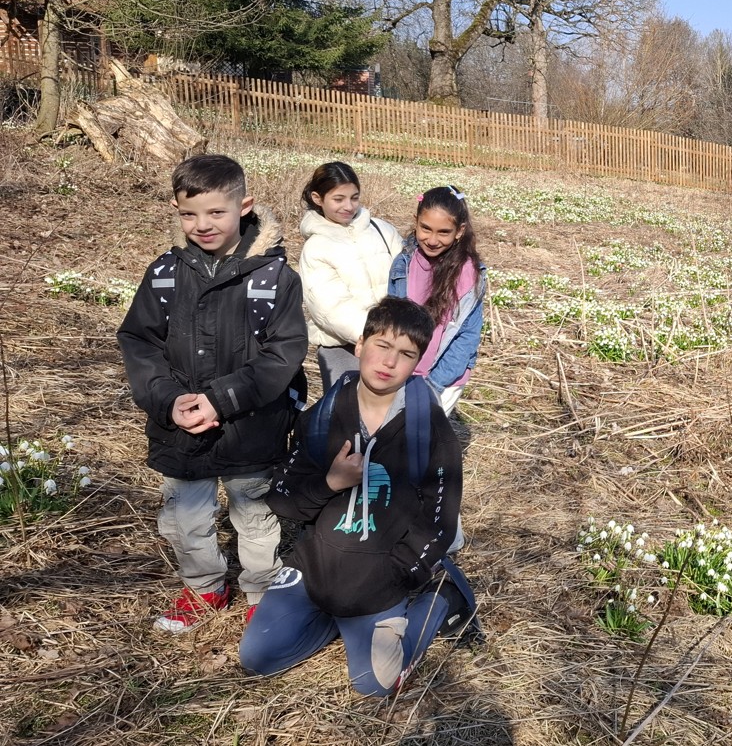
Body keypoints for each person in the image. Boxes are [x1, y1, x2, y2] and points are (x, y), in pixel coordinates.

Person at [238, 297, 472, 696]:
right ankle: (332, 616)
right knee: (258, 657)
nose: (389, 362)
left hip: (379, 581)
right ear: (360, 345)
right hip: (316, 570)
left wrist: (401, 573)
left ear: (417, 363)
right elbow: (283, 498)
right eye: (382, 345)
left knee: (375, 685)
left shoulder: (429, 431)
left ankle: (442, 598)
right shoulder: (322, 418)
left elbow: (439, 521)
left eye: (406, 354)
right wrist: (330, 482)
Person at [118, 154, 308, 632]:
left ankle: (261, 591)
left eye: (216, 212)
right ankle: (204, 587)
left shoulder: (274, 278)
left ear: (244, 206)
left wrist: (222, 398)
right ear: (176, 211)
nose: (202, 225)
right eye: (189, 214)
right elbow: (140, 342)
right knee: (184, 515)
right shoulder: (164, 274)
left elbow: (283, 354)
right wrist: (169, 400)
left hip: (252, 425)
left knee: (256, 514)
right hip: (180, 427)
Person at [297, 161, 400, 396]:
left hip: (395, 340)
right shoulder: (316, 247)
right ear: (317, 198)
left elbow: (405, 279)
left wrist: (399, 336)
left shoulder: (382, 230)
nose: (348, 206)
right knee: (348, 410)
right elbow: (331, 308)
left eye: (354, 198)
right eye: (338, 199)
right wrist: (379, 339)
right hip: (344, 349)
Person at [387, 186, 487, 416]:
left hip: (442, 379)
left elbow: (467, 337)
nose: (432, 240)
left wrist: (434, 384)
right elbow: (391, 320)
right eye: (425, 228)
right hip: (401, 370)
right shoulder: (404, 262)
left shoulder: (469, 274)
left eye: (443, 232)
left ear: (460, 231)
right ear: (415, 221)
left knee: (423, 433)